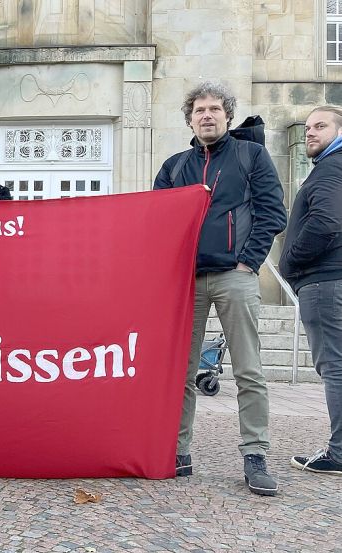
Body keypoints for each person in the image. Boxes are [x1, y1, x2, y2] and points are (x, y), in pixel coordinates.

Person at [153, 82, 287, 495]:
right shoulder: (174, 166)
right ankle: (177, 451)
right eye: (199, 110)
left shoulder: (251, 155)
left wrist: (248, 261)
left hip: (235, 275)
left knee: (248, 370)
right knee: (181, 371)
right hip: (187, 282)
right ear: (189, 119)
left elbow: (272, 212)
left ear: (227, 115)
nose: (207, 115)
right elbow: (156, 221)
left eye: (214, 109)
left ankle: (255, 454)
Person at [279, 106, 342, 475]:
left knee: (334, 365)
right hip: (331, 278)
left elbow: (326, 222)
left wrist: (290, 262)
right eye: (307, 128)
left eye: (321, 126)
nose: (310, 133)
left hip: (324, 281)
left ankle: (339, 453)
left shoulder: (330, 168)